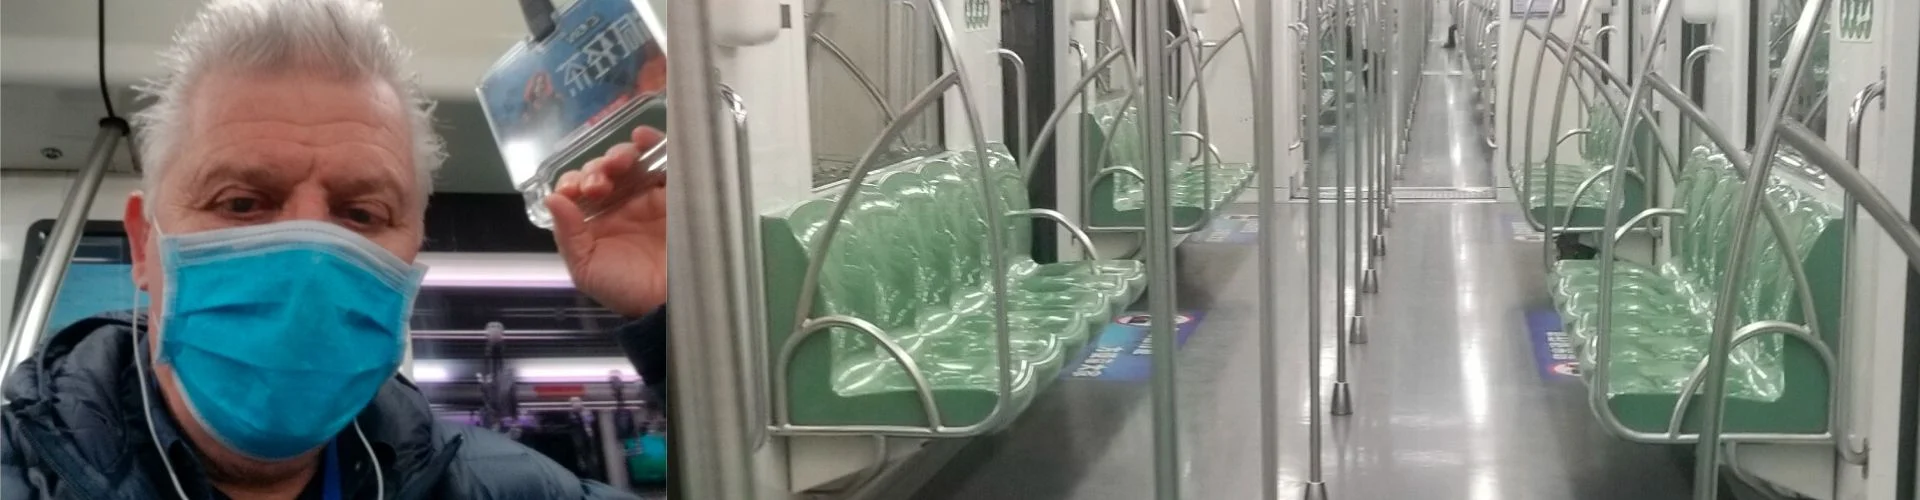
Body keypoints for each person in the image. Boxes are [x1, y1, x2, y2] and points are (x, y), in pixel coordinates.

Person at [0, 1, 666, 498]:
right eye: (242, 203)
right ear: (145, 244)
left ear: (411, 254)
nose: (313, 256)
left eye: (361, 213)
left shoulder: (507, 489)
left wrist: (673, 320)